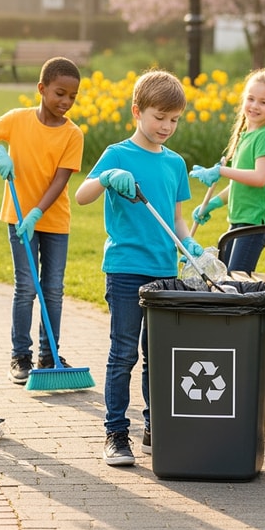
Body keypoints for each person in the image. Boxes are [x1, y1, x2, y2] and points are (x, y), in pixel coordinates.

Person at [75, 69, 204, 467]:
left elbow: (177, 218)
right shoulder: (116, 155)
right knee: (124, 353)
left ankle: (154, 426)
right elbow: (82, 195)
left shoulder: (176, 163)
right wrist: (108, 179)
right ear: (137, 111)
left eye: (174, 119)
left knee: (158, 355)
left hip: (164, 270)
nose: (166, 126)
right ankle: (116, 433)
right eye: (159, 117)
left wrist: (190, 246)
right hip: (127, 268)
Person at [0, 57, 84, 384]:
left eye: (72, 97)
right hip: (18, 218)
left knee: (53, 289)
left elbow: (60, 180)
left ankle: (49, 354)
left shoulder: (73, 134)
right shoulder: (18, 120)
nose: (65, 102)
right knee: (26, 287)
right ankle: (20, 355)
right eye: (59, 93)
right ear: (41, 89)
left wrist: (38, 211)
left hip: (54, 220)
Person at [189, 68, 265, 272]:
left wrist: (221, 171)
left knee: (237, 279)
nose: (254, 106)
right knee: (227, 275)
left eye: (263, 102)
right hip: (241, 218)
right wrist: (212, 204)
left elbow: (260, 178)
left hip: (256, 220)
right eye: (250, 99)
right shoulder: (246, 135)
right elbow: (239, 183)